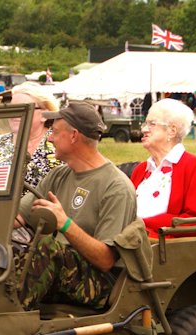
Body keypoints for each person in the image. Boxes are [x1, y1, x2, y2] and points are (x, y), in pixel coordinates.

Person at [16, 102, 137, 310]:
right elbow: (18, 216)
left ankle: (8, 316)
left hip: (98, 282)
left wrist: (65, 224)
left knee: (47, 248)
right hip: (60, 268)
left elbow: (106, 260)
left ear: (73, 136)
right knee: (10, 249)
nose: (50, 138)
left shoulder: (116, 187)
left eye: (54, 132)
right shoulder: (59, 175)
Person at [129, 98, 196, 238]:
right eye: (145, 123)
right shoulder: (141, 169)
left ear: (172, 131)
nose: (144, 129)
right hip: (131, 238)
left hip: (163, 248)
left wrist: (143, 226)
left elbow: (195, 223)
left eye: (152, 124)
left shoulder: (192, 166)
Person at [0, 82, 63, 191]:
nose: (14, 114)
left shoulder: (58, 143)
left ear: (44, 115)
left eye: (22, 109)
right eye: (12, 109)